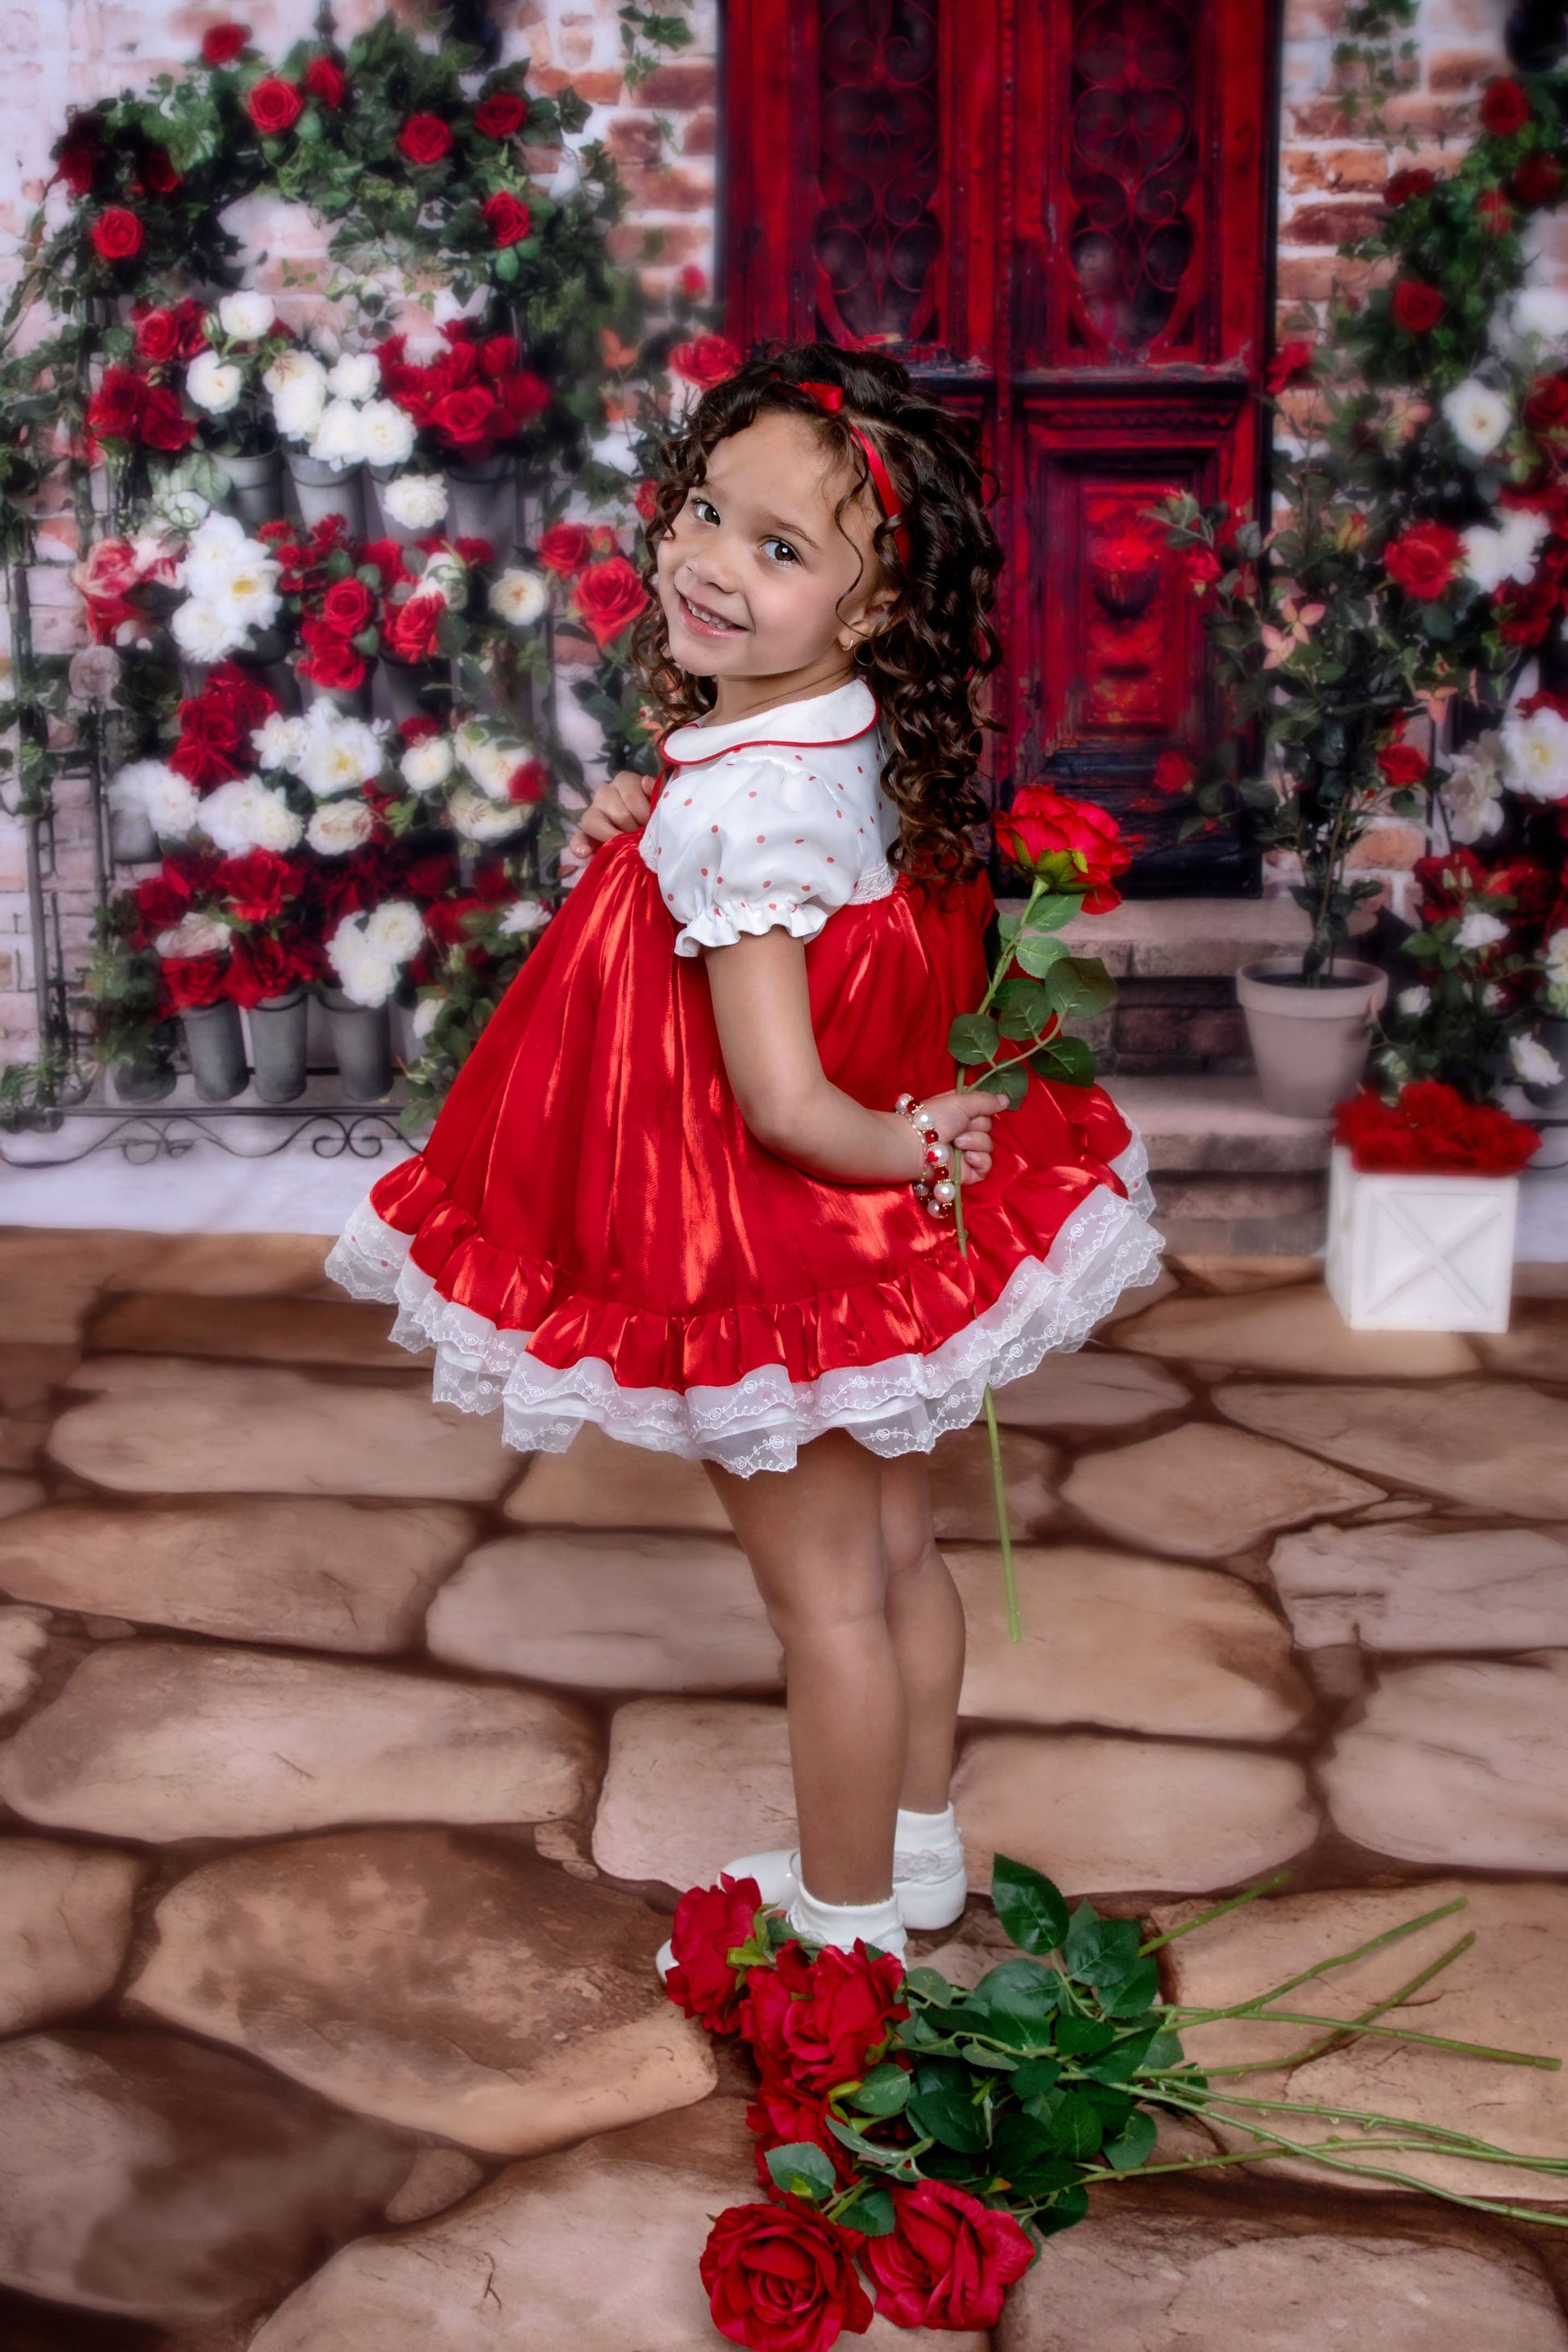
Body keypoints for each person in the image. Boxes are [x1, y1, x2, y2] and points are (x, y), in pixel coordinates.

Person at [325, 342, 1163, 1968]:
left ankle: (842, 1935)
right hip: (862, 1248)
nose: (710, 561)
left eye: (777, 548)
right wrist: (639, 821)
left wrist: (904, 1143)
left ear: (868, 607)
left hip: (772, 1237)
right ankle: (915, 1853)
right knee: (896, 1555)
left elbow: (780, 1103)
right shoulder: (841, 730)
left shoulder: (740, 809)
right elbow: (776, 863)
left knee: (824, 1604)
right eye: (706, 510)